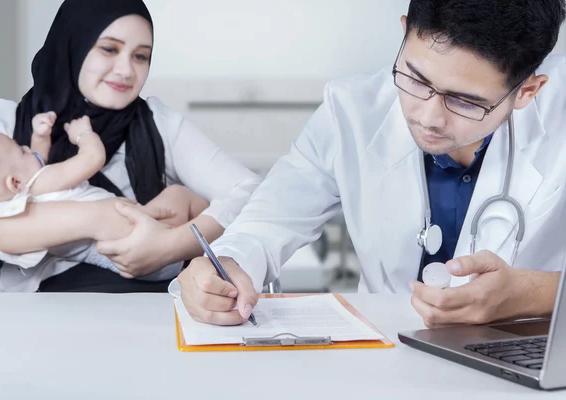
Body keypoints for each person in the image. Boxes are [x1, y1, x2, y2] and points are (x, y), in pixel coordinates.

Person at [178, 0, 566, 327]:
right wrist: (226, 264)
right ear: (403, 36)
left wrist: (534, 295)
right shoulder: (350, 111)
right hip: (386, 361)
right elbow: (266, 222)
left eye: (465, 101)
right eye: (416, 78)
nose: (430, 117)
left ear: (526, 92)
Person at [0, 0, 261, 293]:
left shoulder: (159, 123)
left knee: (182, 200)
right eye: (109, 49)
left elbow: (251, 194)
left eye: (141, 56)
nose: (126, 70)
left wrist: (171, 246)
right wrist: (97, 218)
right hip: (44, 309)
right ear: (74, 45)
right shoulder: (8, 125)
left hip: (153, 305)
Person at [0, 114, 207, 281]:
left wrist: (40, 135)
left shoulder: (18, 202)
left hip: (128, 257)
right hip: (146, 246)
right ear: (15, 183)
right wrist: (83, 135)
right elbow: (93, 158)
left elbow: (37, 160)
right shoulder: (40, 183)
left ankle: (210, 245)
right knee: (179, 194)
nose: (28, 149)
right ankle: (223, 236)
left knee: (179, 210)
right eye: (20, 150)